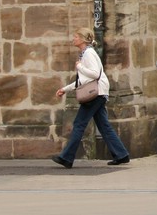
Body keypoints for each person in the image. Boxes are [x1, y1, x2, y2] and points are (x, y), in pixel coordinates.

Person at [52, 28, 130, 168]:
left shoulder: (88, 53)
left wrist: (80, 67)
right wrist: (65, 89)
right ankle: (121, 154)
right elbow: (84, 80)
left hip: (96, 93)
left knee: (79, 124)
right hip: (99, 91)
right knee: (104, 125)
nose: (73, 39)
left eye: (75, 37)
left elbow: (94, 74)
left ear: (82, 39)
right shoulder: (86, 53)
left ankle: (67, 157)